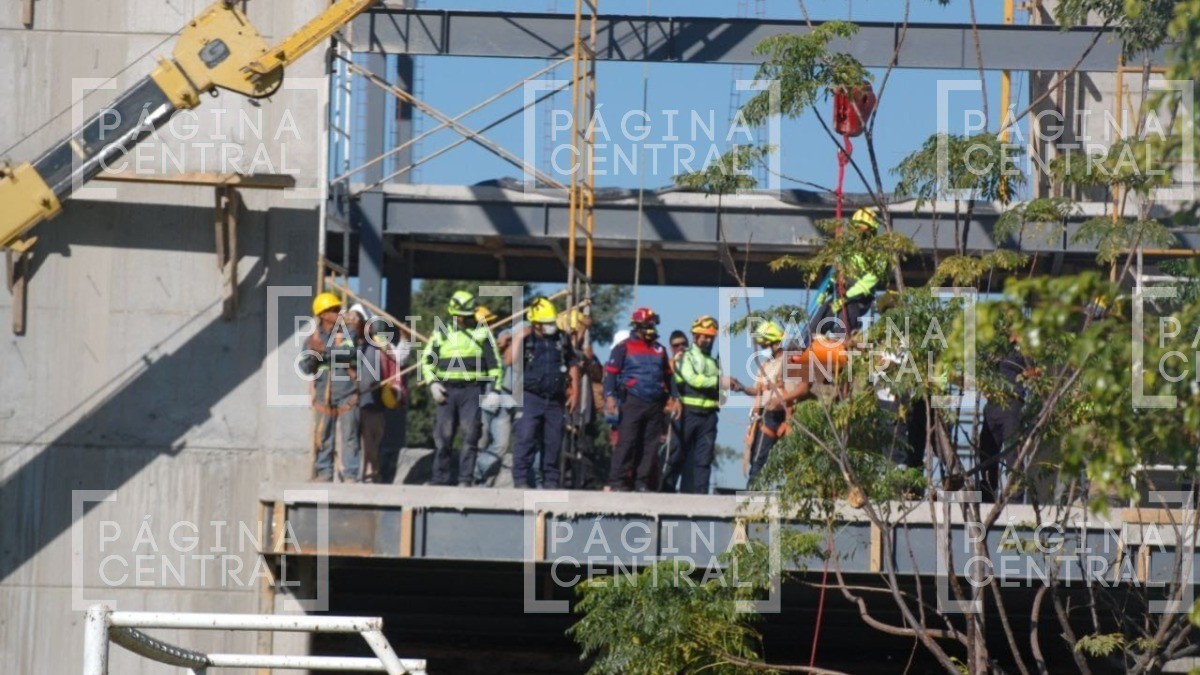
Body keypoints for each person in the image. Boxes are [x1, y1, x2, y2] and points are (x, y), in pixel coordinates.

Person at [420, 290, 501, 487]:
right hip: (446, 390)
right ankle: (440, 478)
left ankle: (465, 479)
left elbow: (495, 364)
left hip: (471, 390)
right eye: (461, 317)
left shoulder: (482, 332)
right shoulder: (440, 332)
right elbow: (427, 360)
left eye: (467, 317)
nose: (464, 320)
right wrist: (432, 384)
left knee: (471, 435)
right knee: (443, 437)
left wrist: (495, 389)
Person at [662, 316, 741, 493]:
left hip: (708, 416)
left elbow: (721, 391)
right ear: (695, 336)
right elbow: (693, 379)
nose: (707, 340)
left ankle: (701, 497)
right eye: (704, 336)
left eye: (710, 337)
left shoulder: (713, 362)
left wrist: (726, 388)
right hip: (688, 414)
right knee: (677, 455)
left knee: (704, 460)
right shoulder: (684, 357)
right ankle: (665, 493)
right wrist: (720, 381)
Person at [604, 307, 678, 491]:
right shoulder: (624, 347)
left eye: (653, 324)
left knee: (649, 445)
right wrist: (610, 396)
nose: (651, 327)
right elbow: (611, 374)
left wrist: (675, 397)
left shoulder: (659, 349)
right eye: (648, 324)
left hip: (655, 403)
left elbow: (669, 377)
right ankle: (617, 481)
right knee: (627, 442)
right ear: (637, 326)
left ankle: (641, 483)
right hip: (632, 401)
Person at [509, 297, 580, 489]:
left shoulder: (562, 339)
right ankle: (521, 480)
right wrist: (517, 338)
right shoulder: (527, 339)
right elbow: (509, 360)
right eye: (546, 323)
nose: (551, 326)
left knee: (554, 442)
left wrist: (575, 392)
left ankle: (550, 481)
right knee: (525, 437)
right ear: (536, 323)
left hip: (556, 400)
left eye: (552, 322)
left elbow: (573, 364)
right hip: (531, 397)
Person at [740, 320, 810, 485]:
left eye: (766, 344)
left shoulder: (790, 360)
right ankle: (753, 497)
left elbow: (802, 389)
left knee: (787, 462)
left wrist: (782, 400)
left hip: (781, 415)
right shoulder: (766, 364)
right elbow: (759, 391)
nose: (764, 347)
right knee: (757, 460)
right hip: (764, 415)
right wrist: (741, 387)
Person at [304, 292, 361, 482]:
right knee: (324, 434)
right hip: (323, 393)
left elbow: (348, 352)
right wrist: (313, 355)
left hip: (347, 392)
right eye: (334, 310)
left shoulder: (348, 332)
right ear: (323, 314)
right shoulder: (312, 339)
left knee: (350, 435)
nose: (339, 313)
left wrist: (324, 351)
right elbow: (306, 367)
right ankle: (324, 471)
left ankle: (350, 473)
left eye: (338, 309)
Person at [348, 304, 407, 484]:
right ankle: (349, 477)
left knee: (371, 446)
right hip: (348, 404)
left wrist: (406, 340)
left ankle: (370, 477)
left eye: (358, 321)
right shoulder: (341, 343)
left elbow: (398, 359)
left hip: (372, 405)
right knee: (349, 442)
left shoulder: (380, 344)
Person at [809, 207, 885, 336]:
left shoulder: (878, 254)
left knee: (844, 325)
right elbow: (837, 273)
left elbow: (868, 282)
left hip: (858, 298)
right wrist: (827, 289)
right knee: (816, 324)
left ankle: (846, 338)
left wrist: (847, 297)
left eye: (863, 230)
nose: (860, 234)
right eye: (857, 229)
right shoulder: (849, 250)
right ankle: (805, 346)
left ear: (872, 231)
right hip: (840, 293)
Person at [979, 334, 1033, 502]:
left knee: (1013, 455)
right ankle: (987, 497)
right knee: (986, 453)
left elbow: (1033, 372)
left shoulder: (1022, 349)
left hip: (1012, 404)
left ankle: (1016, 499)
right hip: (992, 405)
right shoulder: (994, 348)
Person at [559, 308, 605, 488]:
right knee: (564, 447)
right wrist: (583, 329)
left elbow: (598, 374)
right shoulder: (560, 349)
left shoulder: (585, 353)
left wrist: (590, 361)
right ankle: (564, 481)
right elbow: (569, 354)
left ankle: (586, 482)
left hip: (585, 411)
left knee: (586, 449)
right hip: (566, 410)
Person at [477, 328, 517, 486]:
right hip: (487, 400)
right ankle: (479, 482)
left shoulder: (519, 354)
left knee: (501, 446)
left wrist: (514, 343)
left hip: (506, 403)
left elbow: (509, 362)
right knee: (480, 443)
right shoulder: (486, 348)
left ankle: (477, 471)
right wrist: (498, 346)